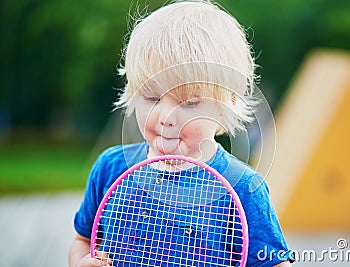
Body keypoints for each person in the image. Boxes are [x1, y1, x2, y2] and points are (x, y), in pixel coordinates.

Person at [68, 1, 293, 266]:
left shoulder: (244, 188)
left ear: (226, 104)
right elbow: (83, 240)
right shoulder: (110, 168)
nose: (166, 118)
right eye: (151, 97)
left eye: (189, 103)